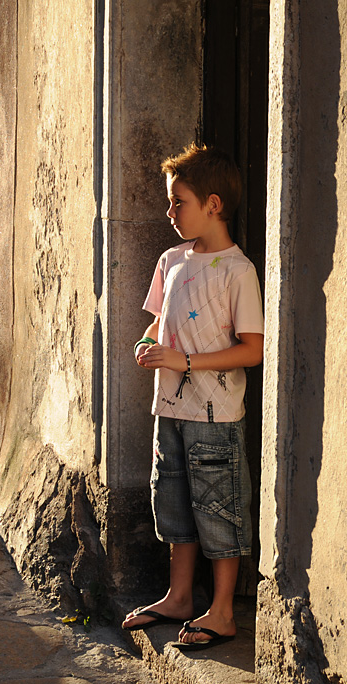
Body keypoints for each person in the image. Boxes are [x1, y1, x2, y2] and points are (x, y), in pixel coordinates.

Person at [121, 143, 264, 651]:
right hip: (170, 411)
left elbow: (252, 350)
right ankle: (179, 596)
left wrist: (184, 363)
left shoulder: (237, 271)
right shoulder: (170, 260)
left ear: (214, 204)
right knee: (176, 503)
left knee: (219, 509)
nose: (170, 211)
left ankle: (222, 612)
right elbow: (156, 324)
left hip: (216, 414)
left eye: (178, 201)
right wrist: (146, 345)